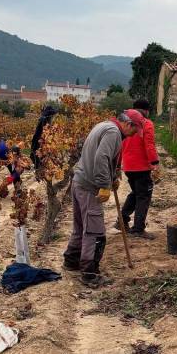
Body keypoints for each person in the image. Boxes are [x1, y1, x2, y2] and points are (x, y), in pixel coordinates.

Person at [63, 110, 143, 288]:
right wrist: (104, 185)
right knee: (95, 232)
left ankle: (71, 261)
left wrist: (112, 176)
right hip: (90, 186)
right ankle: (90, 273)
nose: (133, 135)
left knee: (80, 226)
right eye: (134, 131)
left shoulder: (104, 125)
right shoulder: (114, 133)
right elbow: (101, 157)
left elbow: (103, 158)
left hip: (79, 182)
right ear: (128, 124)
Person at [119, 99, 160, 238]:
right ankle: (138, 229)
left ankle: (122, 219)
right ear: (145, 110)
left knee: (136, 192)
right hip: (141, 166)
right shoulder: (146, 124)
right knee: (143, 196)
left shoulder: (124, 124)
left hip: (128, 166)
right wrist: (155, 162)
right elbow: (149, 144)